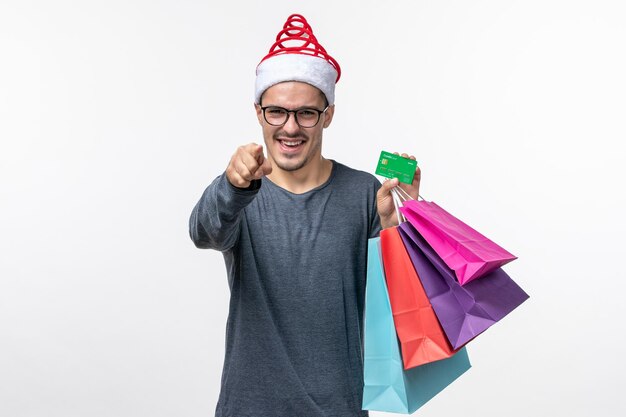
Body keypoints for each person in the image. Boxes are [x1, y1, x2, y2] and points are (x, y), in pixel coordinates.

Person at [189, 14, 420, 417]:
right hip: (248, 407)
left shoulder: (364, 192)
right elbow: (203, 232)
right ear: (258, 113)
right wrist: (232, 184)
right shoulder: (242, 189)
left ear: (327, 115)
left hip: (340, 408)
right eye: (276, 112)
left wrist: (403, 218)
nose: (290, 127)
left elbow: (402, 306)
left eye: (306, 114)